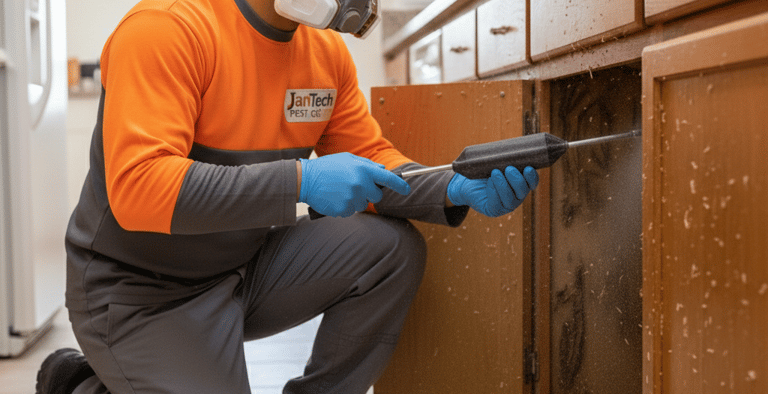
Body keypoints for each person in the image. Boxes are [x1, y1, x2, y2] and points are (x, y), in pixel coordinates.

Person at [36, 0, 539, 393]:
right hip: (140, 293)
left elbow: (372, 159)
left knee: (388, 250)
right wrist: (298, 180)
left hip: (242, 267)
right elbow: (140, 188)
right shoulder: (166, 29)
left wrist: (452, 186)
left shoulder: (324, 56)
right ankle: (81, 384)